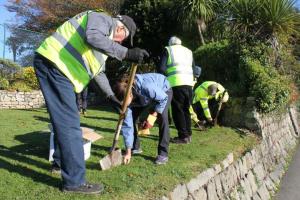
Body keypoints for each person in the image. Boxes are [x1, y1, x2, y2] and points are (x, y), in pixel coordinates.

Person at [34, 10, 149, 194]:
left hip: (59, 71)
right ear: (120, 27)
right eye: (124, 38)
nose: (121, 42)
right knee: (69, 124)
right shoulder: (101, 18)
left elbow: (98, 73)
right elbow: (92, 36)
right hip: (54, 65)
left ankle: (60, 164)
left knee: (65, 123)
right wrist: (126, 53)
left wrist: (111, 97)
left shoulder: (103, 48)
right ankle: (74, 182)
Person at [113, 73, 172, 165]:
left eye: (125, 102)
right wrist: (128, 152)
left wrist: (153, 116)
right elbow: (128, 126)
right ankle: (134, 147)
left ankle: (163, 154)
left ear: (130, 94)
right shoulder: (126, 101)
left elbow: (163, 98)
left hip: (163, 90)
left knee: (163, 119)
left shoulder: (146, 87)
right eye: (122, 103)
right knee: (130, 119)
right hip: (146, 96)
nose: (125, 105)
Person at [158, 36, 195, 144]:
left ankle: (183, 136)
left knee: (178, 110)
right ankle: (188, 134)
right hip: (189, 83)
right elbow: (194, 67)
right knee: (186, 109)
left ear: (170, 43)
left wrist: (164, 78)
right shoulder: (188, 51)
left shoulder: (168, 49)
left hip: (175, 82)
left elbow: (161, 68)